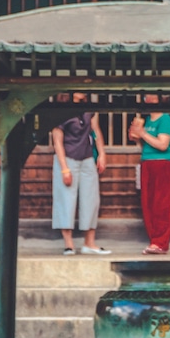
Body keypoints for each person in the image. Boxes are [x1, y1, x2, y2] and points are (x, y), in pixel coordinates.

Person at [52, 93, 111, 256]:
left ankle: (89, 243)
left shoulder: (88, 109)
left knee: (91, 199)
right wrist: (64, 168)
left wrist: (102, 153)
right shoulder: (60, 111)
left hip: (86, 158)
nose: (82, 92)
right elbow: (57, 140)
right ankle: (69, 244)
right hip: (67, 158)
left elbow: (96, 131)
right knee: (66, 199)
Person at [128, 94, 170, 254]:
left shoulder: (165, 119)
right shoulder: (146, 119)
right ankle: (153, 240)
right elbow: (145, 146)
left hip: (163, 163)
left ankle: (161, 242)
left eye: (151, 94)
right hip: (147, 161)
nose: (147, 97)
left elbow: (163, 145)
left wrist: (142, 134)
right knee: (148, 203)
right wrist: (136, 137)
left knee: (162, 203)